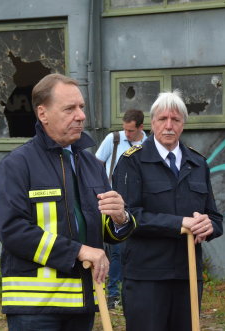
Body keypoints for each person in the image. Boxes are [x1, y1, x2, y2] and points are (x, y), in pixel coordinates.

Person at [0, 73, 136, 331]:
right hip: (35, 308)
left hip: (82, 302)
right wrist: (79, 251)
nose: (80, 116)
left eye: (81, 107)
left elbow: (99, 229)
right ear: (42, 114)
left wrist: (120, 218)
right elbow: (11, 230)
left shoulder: (92, 164)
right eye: (69, 108)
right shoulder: (17, 165)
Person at [113, 90, 223, 331]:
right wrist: (180, 224)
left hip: (187, 275)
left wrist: (209, 226)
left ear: (183, 124)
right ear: (152, 123)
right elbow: (129, 216)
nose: (169, 126)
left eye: (176, 120)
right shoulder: (131, 161)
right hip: (147, 276)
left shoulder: (197, 163)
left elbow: (215, 217)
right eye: (163, 119)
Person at [95, 109, 147, 309]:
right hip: (112, 204)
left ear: (141, 128)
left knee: (133, 251)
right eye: (125, 130)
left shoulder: (148, 144)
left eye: (131, 131)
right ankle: (113, 296)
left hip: (135, 204)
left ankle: (131, 294)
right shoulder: (113, 139)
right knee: (116, 252)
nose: (127, 134)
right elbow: (96, 165)